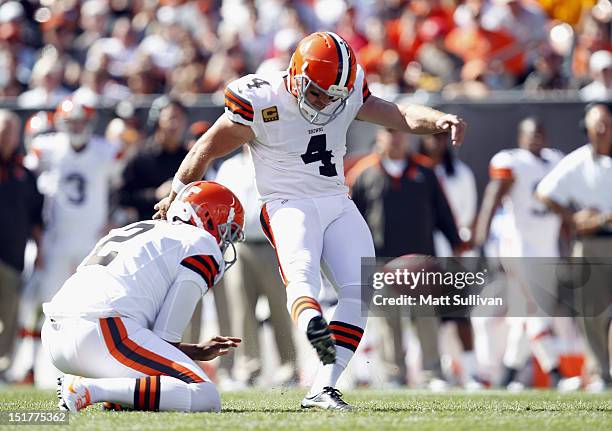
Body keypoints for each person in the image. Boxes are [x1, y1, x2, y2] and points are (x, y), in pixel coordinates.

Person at [153, 31, 466, 410]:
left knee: (360, 289)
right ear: (296, 76)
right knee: (302, 279)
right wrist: (176, 192)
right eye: (318, 92)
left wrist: (438, 119)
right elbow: (205, 148)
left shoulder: (344, 90)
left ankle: (324, 386)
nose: (327, 102)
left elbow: (397, 114)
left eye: (336, 95)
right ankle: (315, 329)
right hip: (287, 202)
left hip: (335, 199)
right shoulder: (261, 99)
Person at [43, 181, 245, 412]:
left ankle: (118, 395)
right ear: (207, 219)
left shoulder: (140, 229)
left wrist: (196, 351)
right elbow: (165, 337)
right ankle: (90, 389)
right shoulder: (201, 242)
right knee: (205, 397)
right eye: (226, 232)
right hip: (101, 331)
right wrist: (190, 353)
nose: (224, 242)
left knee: (162, 385)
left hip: (55, 335)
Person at [20, 97, 122, 387]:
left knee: (92, 307)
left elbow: (120, 185)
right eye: (71, 122)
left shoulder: (106, 151)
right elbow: (31, 181)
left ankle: (89, 368)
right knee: (48, 306)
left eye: (80, 121)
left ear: (89, 123)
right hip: (57, 241)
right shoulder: (49, 148)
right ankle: (37, 367)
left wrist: (113, 216)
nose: (76, 127)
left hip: (93, 241)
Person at [349, 128, 462, 389]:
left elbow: (443, 210)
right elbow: (352, 220)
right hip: (381, 261)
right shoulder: (364, 173)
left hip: (420, 260)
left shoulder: (425, 171)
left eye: (399, 133)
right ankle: (393, 374)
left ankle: (432, 373)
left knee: (426, 318)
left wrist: (456, 241)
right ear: (379, 135)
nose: (395, 137)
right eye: (389, 132)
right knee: (389, 322)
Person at [474, 117, 565, 390]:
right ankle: (556, 371)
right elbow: (493, 197)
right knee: (535, 309)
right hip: (519, 248)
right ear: (520, 137)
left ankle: (508, 375)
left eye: (539, 133)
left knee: (525, 313)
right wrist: (481, 240)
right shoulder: (512, 161)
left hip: (546, 247)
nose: (535, 138)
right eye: (530, 134)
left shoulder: (555, 160)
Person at [536, 103, 612, 392]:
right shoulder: (578, 161)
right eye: (596, 125)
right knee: (592, 313)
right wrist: (572, 218)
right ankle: (599, 373)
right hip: (591, 244)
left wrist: (603, 216)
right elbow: (544, 192)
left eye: (605, 123)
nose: (601, 130)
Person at [0, 111, 44, 380]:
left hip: (12, 257)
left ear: (18, 136)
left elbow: (36, 216)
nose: (5, 136)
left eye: (9, 131)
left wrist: (39, 248)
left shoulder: (24, 173)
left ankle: (3, 370)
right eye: (1, 130)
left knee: (9, 316)